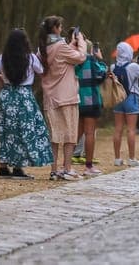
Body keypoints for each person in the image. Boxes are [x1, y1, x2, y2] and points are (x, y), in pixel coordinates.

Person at [0, 29, 54, 180]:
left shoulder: (3, 58)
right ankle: (18, 168)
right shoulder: (30, 58)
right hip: (24, 97)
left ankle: (3, 168)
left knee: (6, 130)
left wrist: (0, 77)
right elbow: (43, 72)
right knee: (24, 131)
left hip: (7, 96)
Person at [37, 16, 86, 180]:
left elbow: (62, 56)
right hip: (67, 97)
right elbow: (80, 57)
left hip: (50, 98)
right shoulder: (60, 46)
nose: (62, 29)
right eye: (60, 26)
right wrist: (81, 41)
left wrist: (70, 44)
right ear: (56, 28)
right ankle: (67, 168)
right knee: (70, 135)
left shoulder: (42, 48)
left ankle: (54, 170)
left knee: (55, 136)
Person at [111, 42, 139, 166]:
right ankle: (132, 158)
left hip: (118, 99)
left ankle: (117, 159)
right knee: (131, 130)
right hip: (131, 98)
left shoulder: (113, 67)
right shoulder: (133, 66)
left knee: (118, 129)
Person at [74, 33, 107, 175]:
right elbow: (101, 75)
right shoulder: (91, 60)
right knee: (89, 133)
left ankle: (66, 164)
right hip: (92, 100)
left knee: (77, 132)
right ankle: (89, 166)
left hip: (77, 99)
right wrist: (100, 60)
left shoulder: (74, 61)